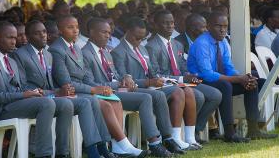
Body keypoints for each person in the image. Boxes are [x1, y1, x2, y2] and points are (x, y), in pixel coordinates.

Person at [82, 17, 186, 157]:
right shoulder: (85, 53)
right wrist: (119, 84)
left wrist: (125, 78)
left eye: (109, 32)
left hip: (120, 89)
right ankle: (154, 143)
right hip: (105, 93)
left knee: (158, 95)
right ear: (92, 32)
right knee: (145, 97)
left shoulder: (106, 51)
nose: (108, 35)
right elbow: (90, 83)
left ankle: (167, 138)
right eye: (103, 32)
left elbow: (117, 75)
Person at [11, 20, 114, 158]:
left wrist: (62, 91)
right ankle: (70, 152)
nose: (43, 36)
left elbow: (52, 83)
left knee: (88, 101)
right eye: (37, 33)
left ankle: (98, 147)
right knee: (70, 103)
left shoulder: (47, 54)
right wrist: (56, 92)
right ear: (28, 37)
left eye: (44, 32)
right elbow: (24, 87)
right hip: (36, 98)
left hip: (53, 96)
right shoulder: (20, 55)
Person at [48, 15, 147, 158]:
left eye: (76, 27)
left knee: (114, 100)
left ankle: (116, 146)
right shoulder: (56, 49)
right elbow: (66, 83)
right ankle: (112, 146)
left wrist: (100, 88)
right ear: (60, 30)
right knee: (105, 105)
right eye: (70, 27)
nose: (75, 30)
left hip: (84, 90)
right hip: (69, 93)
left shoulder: (76, 47)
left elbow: (86, 77)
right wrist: (93, 90)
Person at [111, 17, 201, 150]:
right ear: (128, 32)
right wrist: (148, 82)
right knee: (177, 91)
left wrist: (162, 80)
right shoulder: (118, 52)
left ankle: (177, 138)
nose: (140, 41)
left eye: (142, 38)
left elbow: (153, 72)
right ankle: (169, 138)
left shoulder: (142, 48)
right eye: (137, 38)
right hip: (138, 89)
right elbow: (123, 81)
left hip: (154, 86)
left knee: (185, 90)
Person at [187, 11, 278, 142]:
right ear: (209, 26)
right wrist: (238, 79)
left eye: (225, 26)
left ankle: (253, 130)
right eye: (218, 26)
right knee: (225, 86)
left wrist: (243, 78)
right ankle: (230, 132)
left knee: (251, 83)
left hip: (218, 80)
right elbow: (207, 74)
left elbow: (228, 68)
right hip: (200, 81)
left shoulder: (223, 42)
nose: (223, 30)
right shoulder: (202, 43)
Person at [0, 21, 57, 158]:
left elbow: (19, 89)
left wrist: (31, 93)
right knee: (46, 103)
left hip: (13, 104)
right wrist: (23, 95)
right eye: (10, 37)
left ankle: (61, 151)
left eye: (15, 38)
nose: (14, 42)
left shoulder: (11, 61)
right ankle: (44, 155)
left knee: (57, 102)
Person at [146, 10, 221, 143]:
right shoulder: (151, 46)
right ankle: (181, 134)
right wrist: (181, 79)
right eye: (165, 23)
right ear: (156, 26)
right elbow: (155, 75)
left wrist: (189, 75)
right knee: (198, 96)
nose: (170, 26)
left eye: (172, 23)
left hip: (182, 82)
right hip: (165, 84)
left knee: (215, 95)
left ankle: (194, 129)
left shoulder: (177, 44)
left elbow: (182, 67)